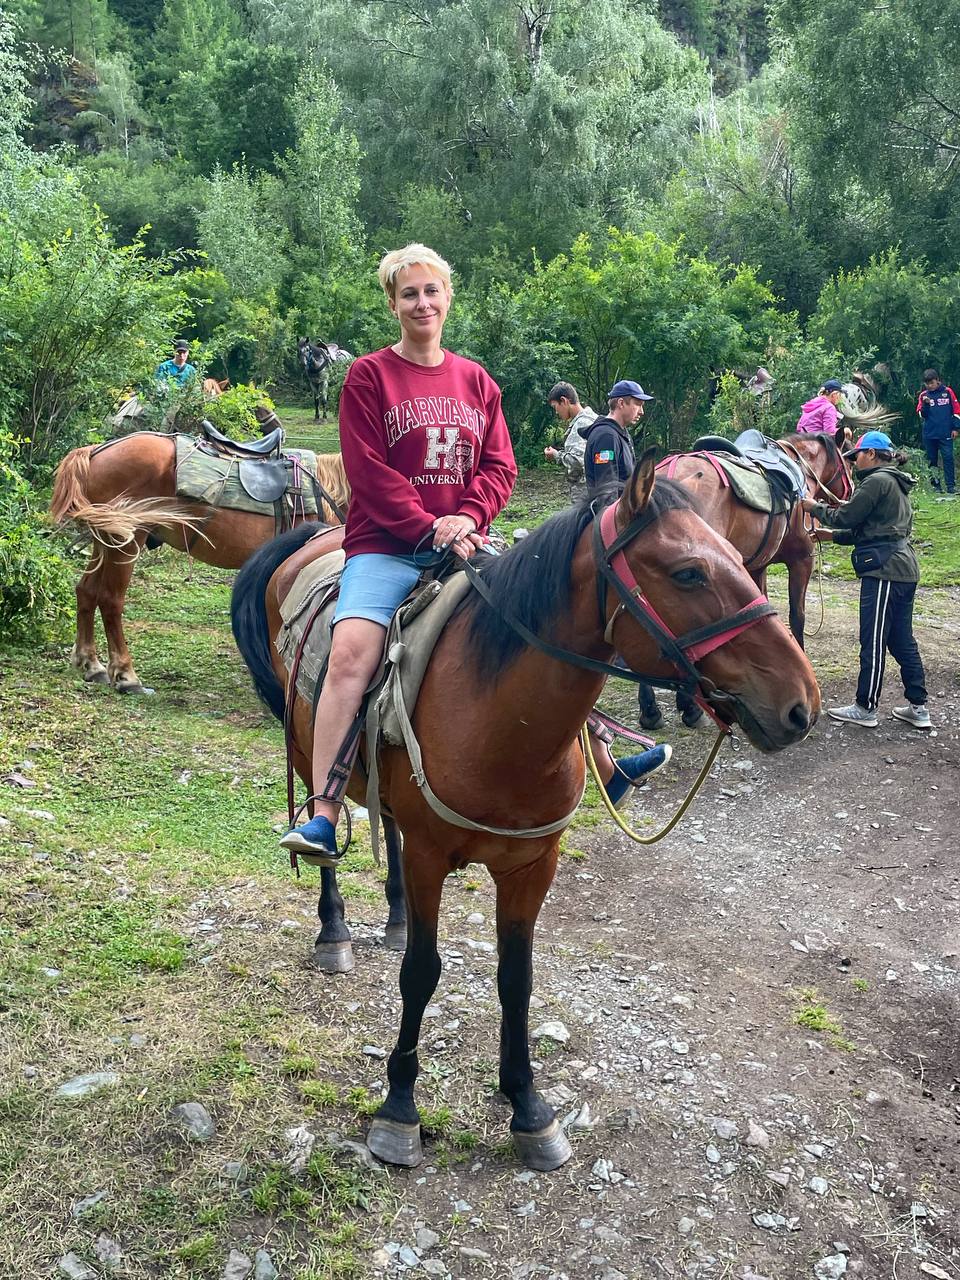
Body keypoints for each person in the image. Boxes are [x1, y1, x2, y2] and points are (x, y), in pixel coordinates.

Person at [801, 430, 931, 730]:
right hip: (902, 568)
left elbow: (847, 518)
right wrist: (830, 536)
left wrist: (814, 508)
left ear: (871, 454)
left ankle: (865, 707)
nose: (854, 461)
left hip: (885, 571)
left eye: (856, 455)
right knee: (901, 640)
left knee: (872, 639)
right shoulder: (894, 483)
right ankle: (918, 707)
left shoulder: (876, 481)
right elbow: (868, 530)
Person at [580, 379, 653, 506]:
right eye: (637, 404)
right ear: (621, 403)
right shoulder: (606, 436)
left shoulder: (621, 432)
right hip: (613, 518)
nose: (642, 411)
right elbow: (607, 491)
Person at [543, 382, 596, 504]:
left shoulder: (581, 425)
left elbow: (577, 462)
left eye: (555, 406)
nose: (556, 412)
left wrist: (556, 455)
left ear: (564, 401)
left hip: (585, 495)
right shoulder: (593, 419)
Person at [916, 368, 959, 495]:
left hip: (946, 433)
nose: (929, 386)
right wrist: (926, 405)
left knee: (948, 458)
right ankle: (936, 486)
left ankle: (951, 486)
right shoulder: (923, 395)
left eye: (932, 383)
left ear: (938, 381)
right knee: (932, 460)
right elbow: (921, 415)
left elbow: (956, 411)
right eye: (927, 384)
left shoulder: (948, 392)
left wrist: (956, 428)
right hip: (930, 434)